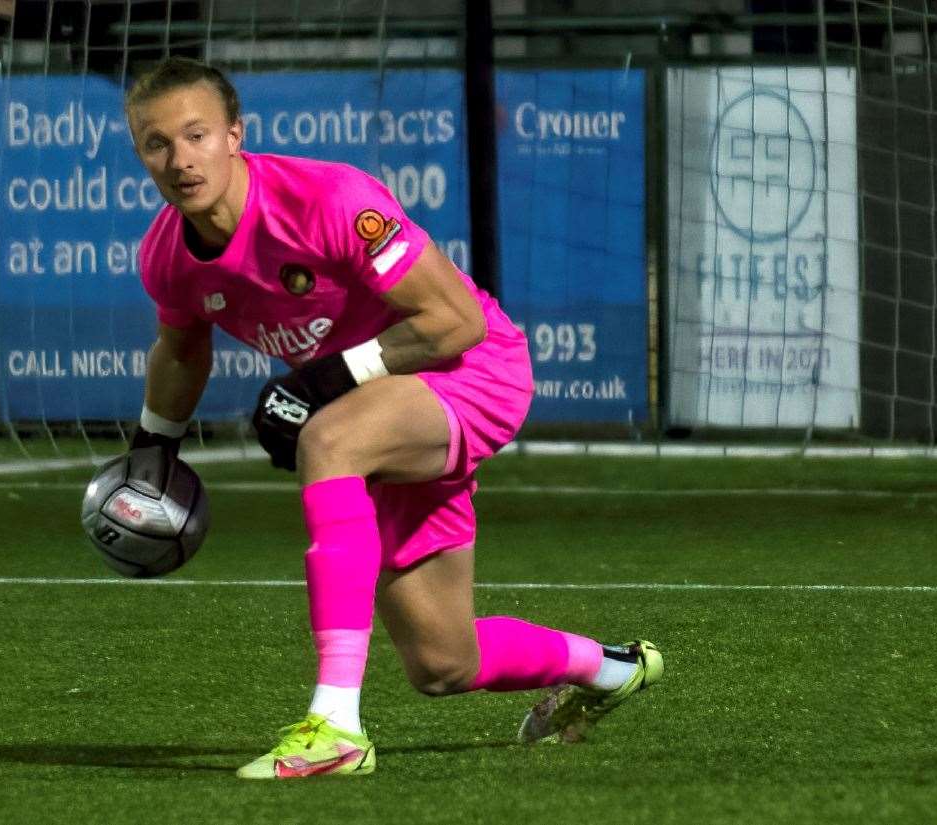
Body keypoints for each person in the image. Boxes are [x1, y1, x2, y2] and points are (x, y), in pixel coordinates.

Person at [124, 56, 663, 780]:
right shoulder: (167, 257)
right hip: (387, 406)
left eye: (196, 135)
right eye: (158, 144)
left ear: (234, 136)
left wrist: (321, 379)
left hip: (471, 371)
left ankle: (337, 727)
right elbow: (182, 349)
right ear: (140, 154)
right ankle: (611, 668)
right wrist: (152, 447)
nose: (180, 159)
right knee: (443, 661)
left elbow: (456, 321)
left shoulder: (330, 198)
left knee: (329, 438)